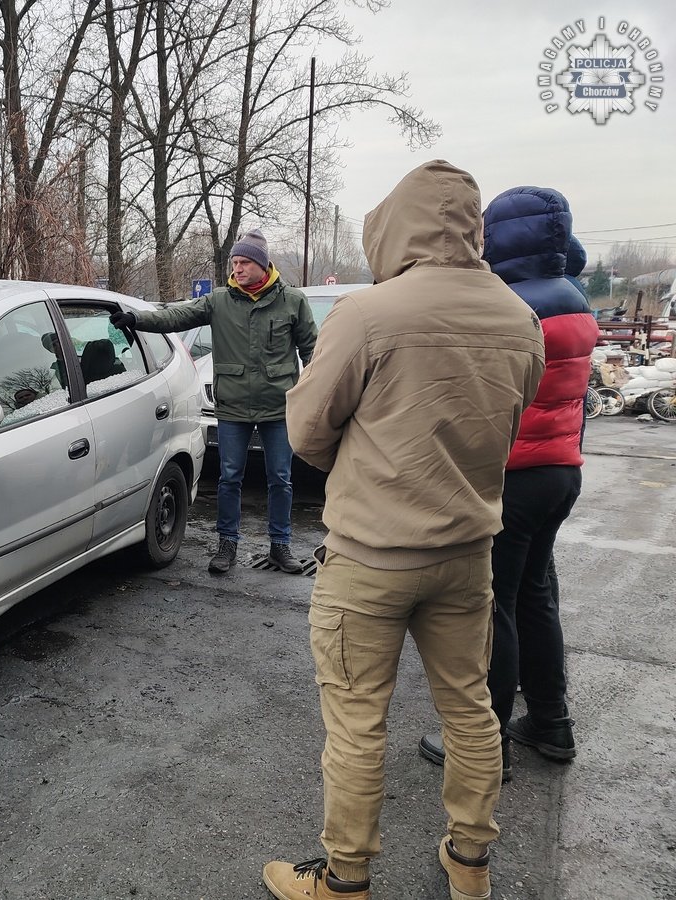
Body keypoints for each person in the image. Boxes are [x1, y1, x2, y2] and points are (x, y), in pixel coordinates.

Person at [264, 160, 545, 900]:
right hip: (467, 555)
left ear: (394, 226)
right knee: (471, 709)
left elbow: (306, 430)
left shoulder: (367, 314)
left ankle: (345, 880)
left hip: (370, 558)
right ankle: (470, 865)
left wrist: (366, 463)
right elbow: (508, 423)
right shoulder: (520, 319)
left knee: (357, 722)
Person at [419, 188, 598, 780]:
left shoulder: (511, 306)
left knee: (493, 606)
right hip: (561, 471)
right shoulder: (573, 296)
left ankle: (484, 742)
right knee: (535, 595)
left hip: (513, 477)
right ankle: (550, 720)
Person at [109, 230, 316, 574]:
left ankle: (280, 545)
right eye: (234, 262)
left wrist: (315, 392)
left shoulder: (291, 301)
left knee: (280, 478)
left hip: (278, 407)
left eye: (245, 262)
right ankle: (227, 545)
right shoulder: (219, 301)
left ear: (263, 265)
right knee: (229, 477)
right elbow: (176, 316)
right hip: (233, 405)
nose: (238, 268)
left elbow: (312, 350)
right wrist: (138, 319)